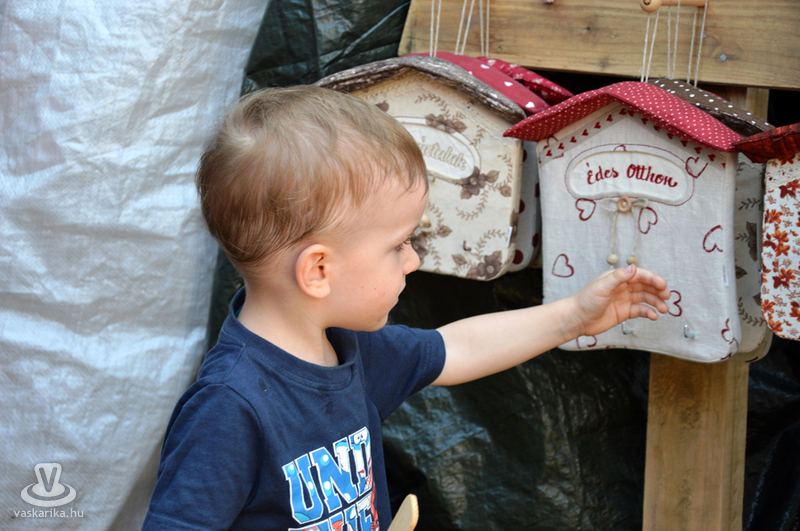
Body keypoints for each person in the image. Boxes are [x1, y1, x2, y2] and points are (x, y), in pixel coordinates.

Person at [141, 85, 670, 531]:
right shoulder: (227, 408)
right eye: (398, 245)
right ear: (318, 271)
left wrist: (575, 316)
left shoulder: (349, 350)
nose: (413, 260)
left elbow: (457, 348)